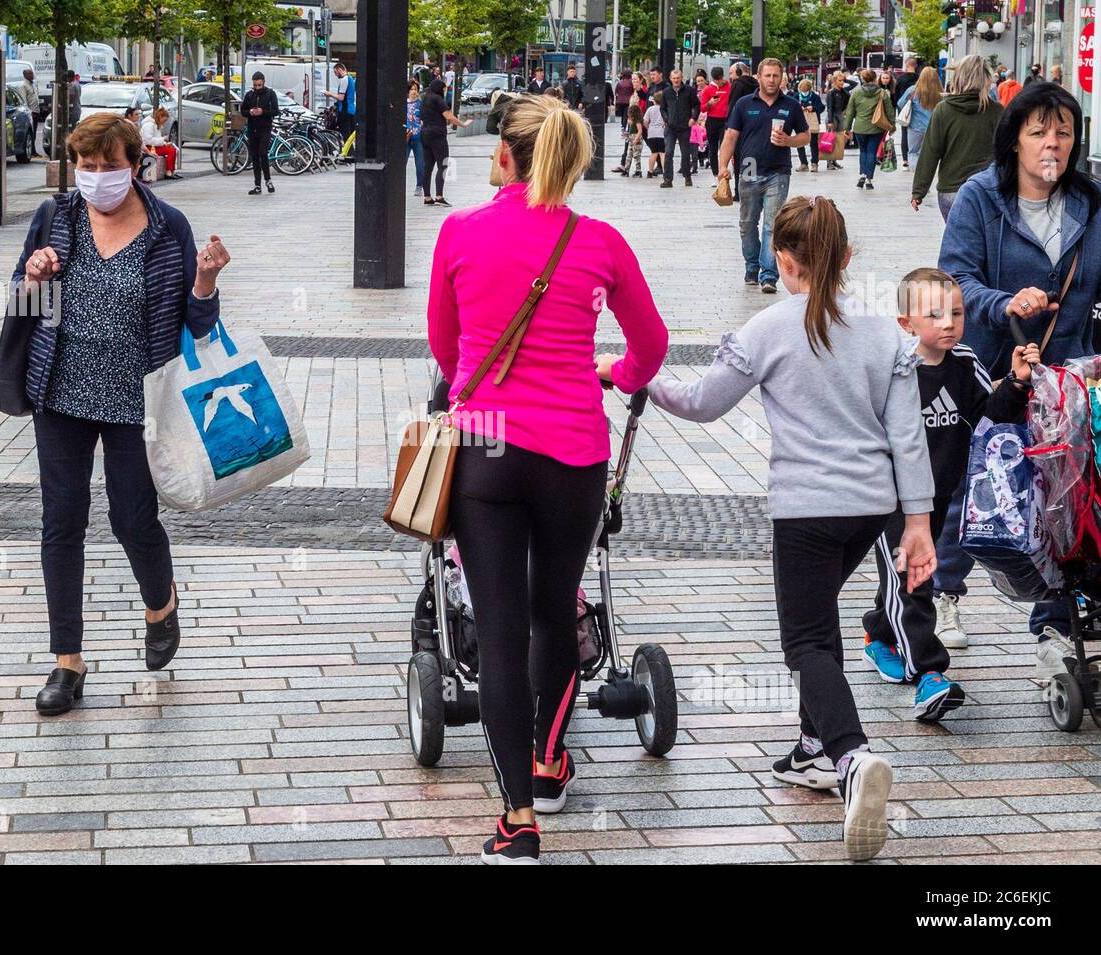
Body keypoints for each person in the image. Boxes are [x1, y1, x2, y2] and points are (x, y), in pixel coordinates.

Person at [605, 195, 930, 861]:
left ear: (785, 260)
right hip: (870, 508)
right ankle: (813, 745)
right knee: (820, 620)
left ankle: (850, 755)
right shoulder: (884, 335)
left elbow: (703, 403)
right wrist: (918, 520)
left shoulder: (767, 331)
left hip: (807, 508)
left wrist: (629, 376)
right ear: (843, 259)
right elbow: (909, 437)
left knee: (805, 640)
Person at [430, 94, 667, 864]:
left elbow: (445, 341)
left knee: (498, 629)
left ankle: (517, 820)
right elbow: (652, 344)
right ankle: (549, 755)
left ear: (505, 156)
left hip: (488, 451)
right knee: (554, 611)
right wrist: (614, 371)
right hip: (573, 452)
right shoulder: (600, 241)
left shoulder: (461, 231)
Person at [12, 113, 229, 716]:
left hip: (139, 401)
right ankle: (67, 662)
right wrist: (33, 277)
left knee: (133, 519)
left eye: (109, 167)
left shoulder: (168, 228)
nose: (97, 177)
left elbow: (198, 326)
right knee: (62, 523)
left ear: (136, 165)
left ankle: (160, 606)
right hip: (61, 394)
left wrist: (205, 283)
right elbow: (20, 299)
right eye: (86, 166)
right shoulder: (56, 218)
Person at [936, 81, 1101, 672]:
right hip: (993, 371)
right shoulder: (981, 198)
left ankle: (1055, 626)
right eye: (1039, 132)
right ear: (1014, 141)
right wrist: (1007, 302)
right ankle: (944, 595)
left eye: (1063, 132)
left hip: (1068, 378)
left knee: (1066, 495)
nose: (1052, 144)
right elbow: (955, 282)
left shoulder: (1091, 201)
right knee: (973, 487)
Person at [861, 268, 1038, 723]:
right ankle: (930, 676)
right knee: (913, 579)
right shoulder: (892, 368)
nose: (948, 323)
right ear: (906, 323)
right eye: (934, 314)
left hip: (939, 495)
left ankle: (878, 634)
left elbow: (990, 416)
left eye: (955, 313)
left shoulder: (964, 362)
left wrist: (1017, 382)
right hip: (891, 499)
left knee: (905, 579)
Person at [717, 58, 810, 293]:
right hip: (747, 169)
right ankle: (751, 266)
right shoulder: (744, 104)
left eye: (776, 76)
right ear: (759, 77)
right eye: (767, 76)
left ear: (782, 78)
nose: (771, 80)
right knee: (747, 224)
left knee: (772, 224)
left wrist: (789, 141)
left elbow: (806, 136)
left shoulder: (791, 105)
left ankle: (769, 275)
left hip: (778, 171)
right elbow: (730, 137)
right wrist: (722, 167)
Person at [911, 55, 1002, 220]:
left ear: (959, 77)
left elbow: (930, 152)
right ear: (986, 80)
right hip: (987, 190)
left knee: (958, 242)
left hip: (951, 190)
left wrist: (919, 191)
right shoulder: (997, 112)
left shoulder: (944, 110)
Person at [420, 78, 468, 206]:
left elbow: (422, 118)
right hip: (437, 135)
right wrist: (462, 124)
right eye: (444, 88)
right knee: (443, 165)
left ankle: (427, 197)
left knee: (428, 167)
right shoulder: (438, 99)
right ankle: (439, 196)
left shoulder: (425, 98)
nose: (444, 91)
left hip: (424, 134)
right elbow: (449, 116)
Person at [844, 68, 894, 189]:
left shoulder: (856, 93)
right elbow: (889, 111)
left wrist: (847, 128)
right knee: (872, 152)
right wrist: (892, 126)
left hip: (860, 128)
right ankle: (868, 179)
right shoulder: (882, 93)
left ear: (862, 79)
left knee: (863, 151)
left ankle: (862, 174)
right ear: (875, 79)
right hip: (876, 128)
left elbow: (850, 112)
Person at [658, 68, 700, 188]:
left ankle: (687, 176)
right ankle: (667, 179)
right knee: (669, 152)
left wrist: (694, 118)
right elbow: (662, 108)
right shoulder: (666, 92)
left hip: (685, 126)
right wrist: (666, 119)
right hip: (670, 127)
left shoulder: (689, 91)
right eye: (674, 78)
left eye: (678, 78)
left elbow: (697, 105)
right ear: (671, 79)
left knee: (685, 153)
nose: (676, 80)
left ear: (681, 78)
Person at [240, 71, 279, 195]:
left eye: (259, 85)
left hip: (265, 128)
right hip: (252, 128)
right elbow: (243, 110)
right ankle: (257, 185)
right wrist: (250, 112)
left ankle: (268, 180)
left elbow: (275, 111)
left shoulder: (270, 94)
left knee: (263, 153)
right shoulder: (249, 95)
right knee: (255, 156)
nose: (257, 88)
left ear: (263, 83)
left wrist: (263, 111)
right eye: (255, 85)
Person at [897, 65, 942, 167]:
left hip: (915, 127)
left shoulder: (913, 90)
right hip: (933, 127)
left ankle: (916, 175)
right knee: (927, 154)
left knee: (913, 152)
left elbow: (900, 103)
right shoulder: (940, 92)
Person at [699, 66, 731, 178]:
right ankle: (715, 174)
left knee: (724, 147)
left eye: (720, 79)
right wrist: (709, 103)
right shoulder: (707, 89)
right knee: (712, 148)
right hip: (712, 120)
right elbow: (702, 108)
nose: (719, 81)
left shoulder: (729, 87)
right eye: (716, 79)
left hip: (725, 121)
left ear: (723, 76)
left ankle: (723, 171)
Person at [794, 78, 824, 172]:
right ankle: (803, 163)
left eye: (806, 91)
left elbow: (821, 107)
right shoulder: (796, 96)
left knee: (813, 143)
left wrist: (813, 108)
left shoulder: (815, 97)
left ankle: (814, 163)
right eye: (802, 91)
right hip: (799, 122)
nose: (804, 93)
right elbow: (792, 108)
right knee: (799, 142)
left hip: (812, 123)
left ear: (809, 89)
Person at [894, 57, 919, 166]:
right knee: (916, 131)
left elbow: (896, 96)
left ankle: (905, 160)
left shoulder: (901, 79)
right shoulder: (920, 79)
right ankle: (915, 156)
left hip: (904, 109)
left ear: (906, 64)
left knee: (905, 133)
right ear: (916, 66)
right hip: (918, 109)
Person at [140, 106, 178, 178]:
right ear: (160, 117)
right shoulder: (149, 125)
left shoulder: (155, 125)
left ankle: (171, 171)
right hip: (149, 147)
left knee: (172, 150)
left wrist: (164, 143)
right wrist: (163, 139)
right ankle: (169, 171)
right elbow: (148, 140)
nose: (164, 122)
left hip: (152, 146)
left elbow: (155, 139)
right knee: (171, 151)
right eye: (164, 120)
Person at [824, 71, 850, 170]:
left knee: (839, 139)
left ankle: (834, 160)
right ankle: (829, 162)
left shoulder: (843, 91)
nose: (842, 82)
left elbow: (854, 85)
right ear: (834, 81)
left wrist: (845, 79)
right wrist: (830, 121)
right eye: (840, 80)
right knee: (830, 139)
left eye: (843, 80)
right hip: (832, 116)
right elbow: (829, 107)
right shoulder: (831, 92)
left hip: (840, 115)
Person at [404, 78, 424, 196]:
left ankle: (419, 186)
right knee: (403, 161)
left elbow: (424, 117)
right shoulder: (403, 103)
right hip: (406, 135)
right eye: (411, 89)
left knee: (420, 162)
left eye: (415, 89)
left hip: (417, 135)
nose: (413, 91)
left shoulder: (420, 104)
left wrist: (422, 122)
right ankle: (399, 184)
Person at [327, 62, 356, 144]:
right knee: (350, 136)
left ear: (340, 69)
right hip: (351, 110)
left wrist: (329, 94)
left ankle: (349, 154)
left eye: (335, 72)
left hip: (344, 110)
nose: (336, 75)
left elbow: (341, 97)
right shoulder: (350, 79)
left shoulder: (344, 80)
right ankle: (351, 153)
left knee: (345, 135)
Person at [644, 92, 666, 178]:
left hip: (651, 134)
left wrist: (648, 127)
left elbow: (645, 121)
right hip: (661, 133)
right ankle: (665, 172)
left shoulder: (650, 109)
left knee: (653, 153)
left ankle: (650, 171)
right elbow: (666, 120)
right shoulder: (664, 109)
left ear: (654, 101)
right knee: (662, 153)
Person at [622, 102, 646, 177]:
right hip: (631, 140)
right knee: (629, 155)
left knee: (636, 156)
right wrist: (626, 134)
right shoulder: (632, 121)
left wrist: (636, 139)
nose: (628, 117)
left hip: (636, 140)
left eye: (630, 114)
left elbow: (640, 131)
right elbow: (630, 131)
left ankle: (638, 171)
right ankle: (626, 170)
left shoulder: (637, 121)